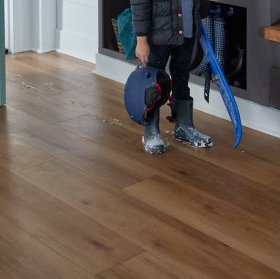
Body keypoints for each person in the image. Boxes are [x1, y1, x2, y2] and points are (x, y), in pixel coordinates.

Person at [130, 0, 214, 154]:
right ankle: (151, 131)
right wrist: (141, 39)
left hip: (187, 31)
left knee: (182, 78)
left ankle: (184, 126)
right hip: (158, 33)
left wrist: (202, 14)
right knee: (153, 84)